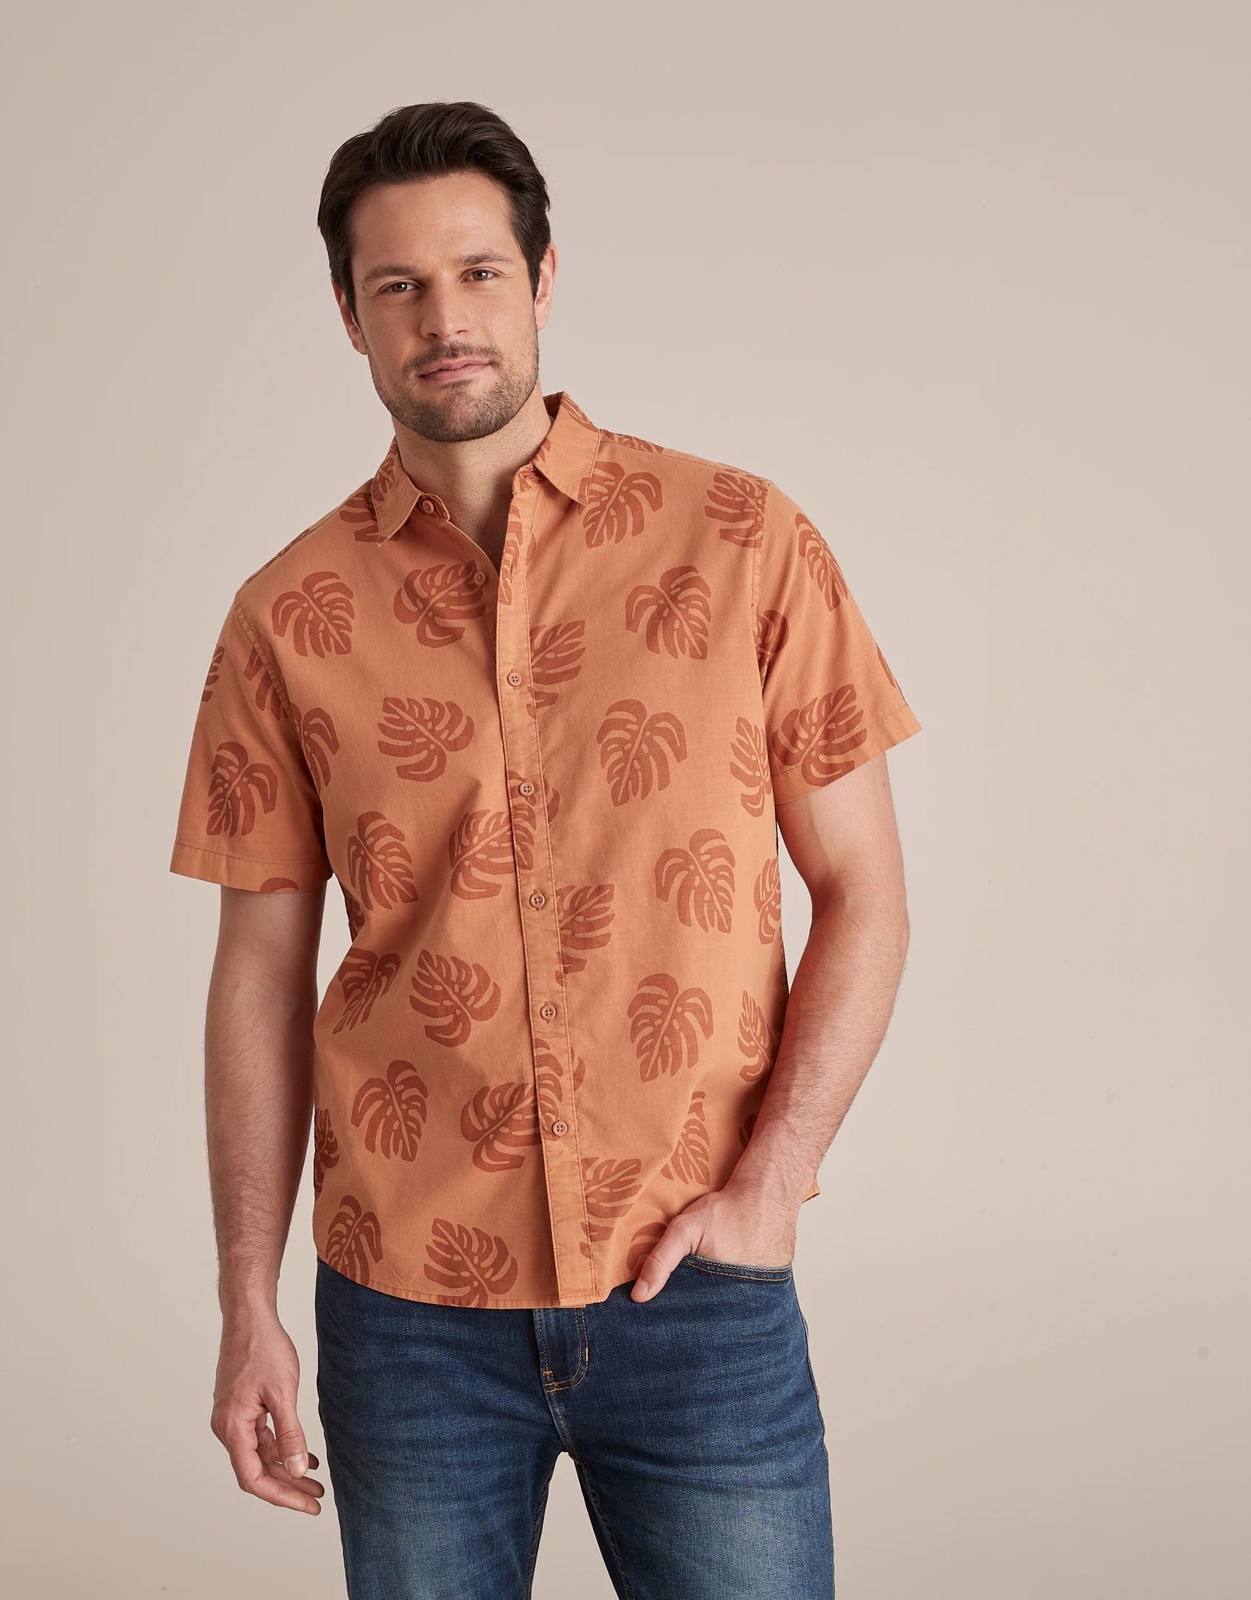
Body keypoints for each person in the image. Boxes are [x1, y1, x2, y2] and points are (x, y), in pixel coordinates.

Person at [169, 98, 920, 1600]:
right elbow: (258, 972)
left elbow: (865, 894)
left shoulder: (742, 540)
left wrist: (774, 1184)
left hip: (698, 1282)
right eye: (399, 286)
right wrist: (248, 1298)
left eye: (479, 274)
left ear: (544, 280)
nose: (445, 320)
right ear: (349, 316)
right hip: (407, 1315)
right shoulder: (286, 616)